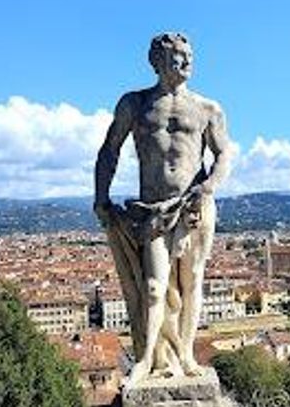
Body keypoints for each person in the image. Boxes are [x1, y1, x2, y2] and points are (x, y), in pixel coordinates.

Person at [94, 32, 232, 381]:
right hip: (152, 209)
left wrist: (208, 187)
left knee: (192, 282)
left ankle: (185, 356)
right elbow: (109, 151)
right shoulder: (135, 104)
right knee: (155, 287)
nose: (187, 62)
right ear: (157, 61)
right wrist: (101, 197)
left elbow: (223, 155)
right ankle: (147, 359)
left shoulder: (207, 109)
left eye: (189, 55)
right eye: (179, 56)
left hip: (194, 206)